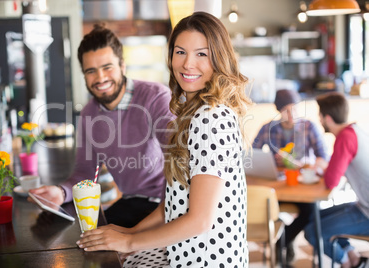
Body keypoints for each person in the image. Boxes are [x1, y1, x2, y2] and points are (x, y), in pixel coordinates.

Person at [77, 11, 251, 267]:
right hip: (184, 250)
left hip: (203, 260)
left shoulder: (210, 118)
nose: (187, 64)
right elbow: (173, 204)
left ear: (218, 58)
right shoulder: (191, 115)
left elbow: (200, 220)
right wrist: (129, 233)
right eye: (180, 52)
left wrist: (128, 243)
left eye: (201, 53)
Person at [29, 24, 174, 228]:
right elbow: (85, 173)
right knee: (87, 243)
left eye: (107, 67)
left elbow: (179, 154)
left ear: (122, 66)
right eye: (91, 71)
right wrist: (60, 192)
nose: (100, 78)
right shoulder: (89, 114)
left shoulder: (155, 97)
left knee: (113, 248)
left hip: (168, 203)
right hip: (131, 202)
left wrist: (136, 236)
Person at [252, 89, 329, 262]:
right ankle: (285, 242)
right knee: (265, 207)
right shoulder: (267, 129)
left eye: (295, 108)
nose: (292, 114)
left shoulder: (309, 127)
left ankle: (284, 240)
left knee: (310, 212)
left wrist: (304, 165)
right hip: (277, 187)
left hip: (302, 185)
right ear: (278, 111)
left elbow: (324, 156)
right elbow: (251, 156)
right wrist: (270, 161)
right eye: (287, 110)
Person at [304, 92, 369, 268]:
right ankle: (353, 257)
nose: (319, 120)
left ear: (328, 118)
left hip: (367, 213)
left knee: (312, 232)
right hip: (362, 206)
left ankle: (348, 264)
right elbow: (335, 170)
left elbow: (331, 181)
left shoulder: (344, 138)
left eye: (320, 116)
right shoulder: (353, 130)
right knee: (313, 218)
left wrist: (323, 169)